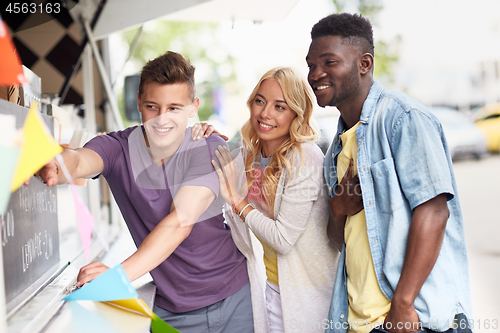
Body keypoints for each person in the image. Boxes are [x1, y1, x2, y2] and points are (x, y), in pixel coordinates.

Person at [34, 51, 253, 333]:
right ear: (139, 102)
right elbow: (79, 160)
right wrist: (57, 163)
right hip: (172, 313)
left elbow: (180, 222)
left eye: (174, 108)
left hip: (235, 297)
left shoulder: (206, 147)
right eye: (152, 106)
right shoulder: (117, 148)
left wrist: (116, 278)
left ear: (193, 107)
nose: (162, 120)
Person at [305, 13, 473, 333]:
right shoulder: (336, 151)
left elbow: (434, 211)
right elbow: (339, 241)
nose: (316, 74)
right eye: (311, 64)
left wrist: (403, 304)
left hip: (410, 320)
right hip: (356, 320)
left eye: (329, 62)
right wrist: (338, 211)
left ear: (364, 64)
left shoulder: (402, 118)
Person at [212, 67, 339, 333]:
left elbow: (283, 239)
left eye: (279, 106)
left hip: (307, 294)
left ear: (296, 113)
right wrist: (202, 134)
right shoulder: (251, 156)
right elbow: (210, 174)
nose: (265, 113)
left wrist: (238, 201)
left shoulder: (305, 157)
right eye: (260, 101)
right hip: (269, 286)